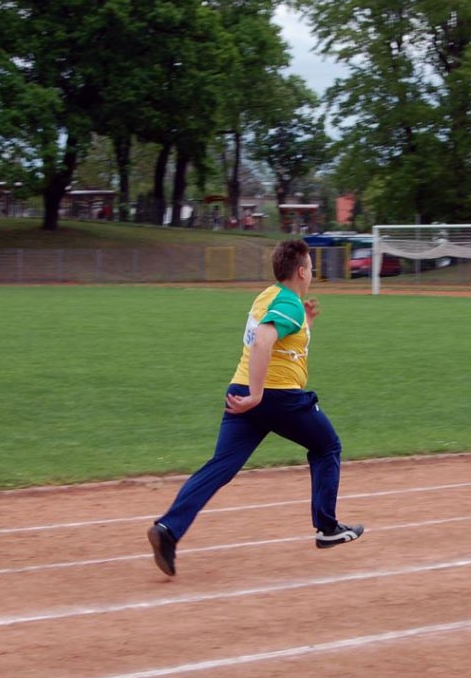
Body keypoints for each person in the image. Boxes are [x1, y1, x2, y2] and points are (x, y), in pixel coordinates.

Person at [147, 239, 364, 576]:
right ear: (301, 271)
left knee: (221, 465)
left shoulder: (268, 297)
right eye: (311, 268)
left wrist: (305, 323)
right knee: (327, 446)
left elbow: (278, 342)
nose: (312, 274)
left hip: (241, 391)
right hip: (277, 397)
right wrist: (258, 394)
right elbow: (263, 341)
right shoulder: (288, 303)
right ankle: (326, 528)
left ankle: (168, 529)